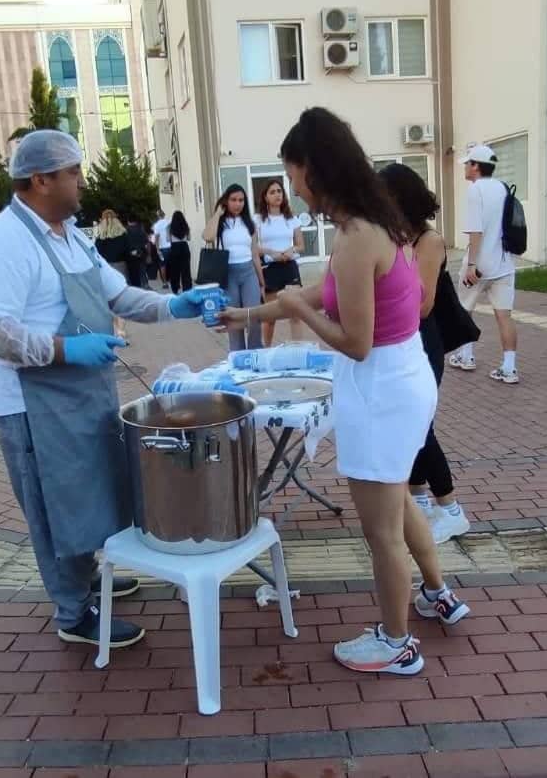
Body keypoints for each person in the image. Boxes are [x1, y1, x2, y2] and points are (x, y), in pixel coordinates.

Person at [219, 108, 469, 675]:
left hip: (380, 388)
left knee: (381, 532)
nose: (291, 188)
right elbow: (324, 292)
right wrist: (251, 312)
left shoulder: (356, 236)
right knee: (398, 502)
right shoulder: (375, 223)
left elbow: (354, 341)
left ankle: (396, 643)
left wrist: (296, 311)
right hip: (403, 378)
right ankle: (438, 593)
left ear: (313, 168)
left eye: (292, 174)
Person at [0, 130, 206, 648]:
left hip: (85, 396)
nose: (82, 181)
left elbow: (119, 297)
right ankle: (73, 614)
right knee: (55, 508)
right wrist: (65, 349)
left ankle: (89, 578)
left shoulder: (73, 236)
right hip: (33, 407)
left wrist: (173, 306)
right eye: (73, 171)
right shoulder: (1, 242)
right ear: (40, 180)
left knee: (91, 494)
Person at [379, 163, 470, 545]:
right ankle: (419, 501)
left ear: (402, 197)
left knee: (419, 425)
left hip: (421, 341)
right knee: (407, 426)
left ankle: (451, 509)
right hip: (400, 341)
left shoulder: (429, 241)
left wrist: (377, 312)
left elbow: (424, 303)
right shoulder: (395, 237)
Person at [449, 144, 519, 383]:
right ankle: (509, 368)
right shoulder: (502, 187)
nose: (465, 168)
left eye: (467, 164)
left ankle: (466, 356)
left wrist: (471, 264)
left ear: (476, 166)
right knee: (504, 316)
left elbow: (475, 231)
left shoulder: (475, 190)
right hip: (504, 264)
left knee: (464, 310)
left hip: (478, 266)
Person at [203, 183, 264, 351]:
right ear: (226, 201)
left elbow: (254, 254)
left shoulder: (249, 224)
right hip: (228, 274)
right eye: (233, 200)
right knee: (233, 318)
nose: (238, 204)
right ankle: (237, 356)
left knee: (254, 317)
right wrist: (218, 213)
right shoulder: (220, 222)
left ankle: (255, 354)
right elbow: (208, 237)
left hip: (249, 272)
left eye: (241, 200)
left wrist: (261, 281)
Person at [254, 179, 305, 346]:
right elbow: (254, 247)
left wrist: (292, 250)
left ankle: (298, 349)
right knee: (270, 317)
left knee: (295, 313)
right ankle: (267, 349)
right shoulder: (258, 220)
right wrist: (271, 253)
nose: (277, 195)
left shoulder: (291, 219)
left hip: (290, 267)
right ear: (265, 197)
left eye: (279, 191)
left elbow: (301, 245)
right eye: (272, 192)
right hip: (270, 269)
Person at [95, 209, 129, 340]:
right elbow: (127, 251)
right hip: (120, 265)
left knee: (107, 299)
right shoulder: (122, 234)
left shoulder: (100, 236)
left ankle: (115, 326)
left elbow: (96, 254)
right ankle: (121, 327)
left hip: (105, 267)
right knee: (120, 296)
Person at [167, 210, 192, 294]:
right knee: (186, 270)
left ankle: (175, 289)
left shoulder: (169, 227)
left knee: (174, 270)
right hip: (184, 247)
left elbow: (168, 239)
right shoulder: (186, 226)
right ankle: (187, 290)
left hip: (174, 248)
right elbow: (189, 238)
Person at [125, 214, 149, 289]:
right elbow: (146, 242)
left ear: (128, 221)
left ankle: (136, 288)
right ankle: (145, 285)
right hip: (142, 252)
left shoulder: (126, 230)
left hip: (131, 254)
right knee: (142, 271)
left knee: (133, 273)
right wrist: (148, 254)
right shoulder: (141, 229)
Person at [151, 209, 171, 289]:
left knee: (162, 266)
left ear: (157, 216)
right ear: (164, 215)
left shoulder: (156, 225)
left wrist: (157, 249)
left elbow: (156, 238)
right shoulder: (169, 222)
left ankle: (165, 283)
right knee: (173, 265)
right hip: (171, 246)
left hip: (162, 248)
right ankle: (175, 281)